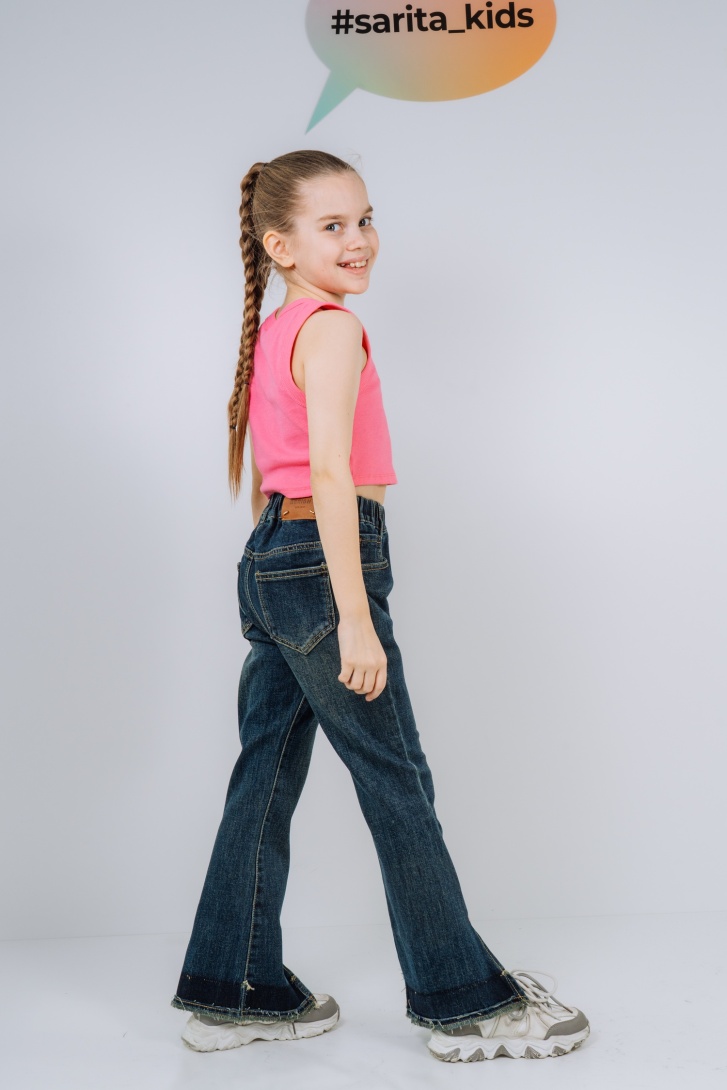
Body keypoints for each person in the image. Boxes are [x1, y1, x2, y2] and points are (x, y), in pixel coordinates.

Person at [170, 149, 590, 1063]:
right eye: (332, 226)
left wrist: (282, 579)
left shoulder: (279, 327)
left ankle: (234, 989)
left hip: (276, 560)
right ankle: (463, 1003)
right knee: (396, 779)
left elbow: (279, 477)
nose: (358, 239)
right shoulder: (330, 330)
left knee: (264, 776)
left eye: (364, 219)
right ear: (280, 245)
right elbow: (327, 472)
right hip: (326, 566)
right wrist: (353, 619)